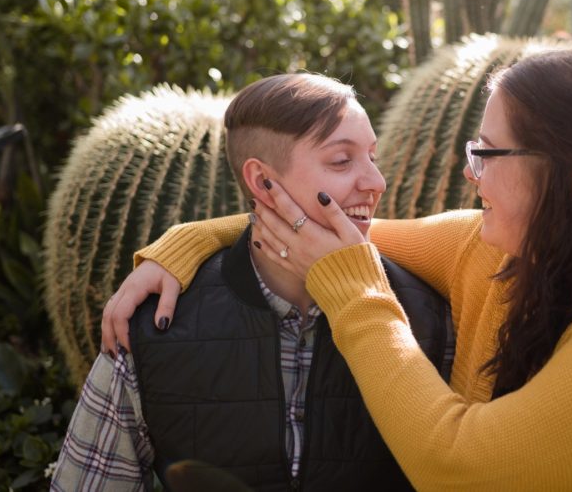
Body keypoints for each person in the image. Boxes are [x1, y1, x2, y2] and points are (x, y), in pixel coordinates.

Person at [103, 42, 572, 490]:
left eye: (487, 153)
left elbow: (452, 467)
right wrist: (190, 243)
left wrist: (358, 294)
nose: (469, 172)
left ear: (567, 179)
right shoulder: (515, 255)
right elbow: (344, 231)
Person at [52, 74, 452, 491]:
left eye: (373, 157)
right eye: (341, 161)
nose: (376, 182)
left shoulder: (430, 319)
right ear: (262, 181)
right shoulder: (156, 325)